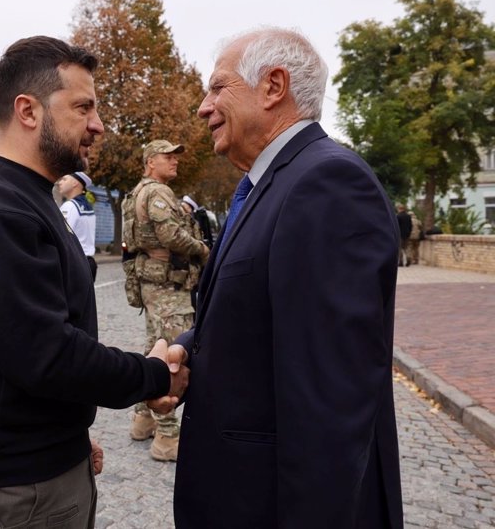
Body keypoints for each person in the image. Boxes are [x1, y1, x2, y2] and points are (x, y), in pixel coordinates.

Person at [0, 36, 187, 528]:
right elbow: (46, 355)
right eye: (83, 107)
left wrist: (68, 436)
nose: (98, 124)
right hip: (16, 492)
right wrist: (153, 376)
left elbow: (28, 349)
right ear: (28, 110)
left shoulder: (29, 197)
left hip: (42, 473)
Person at [164, 28, 404, 528]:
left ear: (273, 86)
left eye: (217, 88)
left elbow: (331, 404)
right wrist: (190, 348)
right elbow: (257, 309)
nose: (203, 108)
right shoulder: (268, 184)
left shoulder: (327, 184)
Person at [124, 140, 209, 462]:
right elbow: (171, 236)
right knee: (174, 357)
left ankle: (142, 420)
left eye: (176, 156)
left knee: (154, 347)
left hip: (153, 283)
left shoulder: (136, 192)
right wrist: (204, 250)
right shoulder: (157, 192)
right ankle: (167, 437)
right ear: (150, 162)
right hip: (167, 286)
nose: (174, 161)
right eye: (167, 157)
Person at [58, 171, 97, 280]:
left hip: (74, 264)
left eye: (64, 179)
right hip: (88, 262)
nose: (60, 182)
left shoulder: (69, 206)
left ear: (75, 183)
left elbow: (61, 237)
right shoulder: (88, 206)